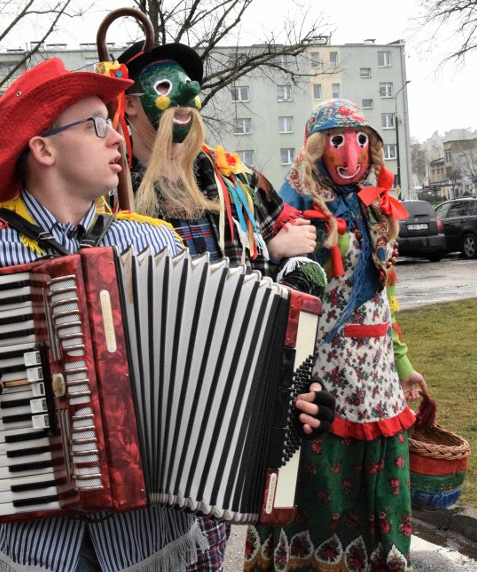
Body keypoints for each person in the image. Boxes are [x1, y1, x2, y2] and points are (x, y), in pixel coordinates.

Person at [0, 58, 332, 571]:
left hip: (145, 535)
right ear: (43, 147)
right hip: (32, 534)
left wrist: (286, 405)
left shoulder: (151, 242)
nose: (117, 138)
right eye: (97, 125)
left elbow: (214, 362)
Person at [116, 41, 335, 570]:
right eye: (165, 87)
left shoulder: (229, 180)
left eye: (189, 89)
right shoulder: (104, 185)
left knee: (206, 555)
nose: (181, 101)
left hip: (221, 428)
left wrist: (281, 249)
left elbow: (312, 239)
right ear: (127, 104)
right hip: (134, 431)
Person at [242, 99, 427, 572]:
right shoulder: (295, 210)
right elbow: (276, 293)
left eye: (361, 140)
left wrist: (404, 365)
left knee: (378, 502)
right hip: (321, 378)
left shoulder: (374, 205)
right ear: (316, 147)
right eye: (338, 141)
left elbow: (382, 298)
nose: (352, 153)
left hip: (378, 383)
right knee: (318, 499)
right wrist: (314, 251)